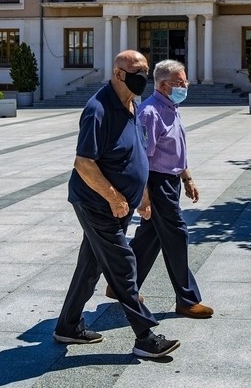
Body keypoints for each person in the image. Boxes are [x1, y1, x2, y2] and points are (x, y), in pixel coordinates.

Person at [53, 50, 181, 359]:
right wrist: (114, 196)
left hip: (121, 204)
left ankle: (68, 325)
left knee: (91, 264)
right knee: (124, 265)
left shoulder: (133, 105)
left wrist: (144, 197)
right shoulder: (98, 109)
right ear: (118, 74)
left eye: (146, 71)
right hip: (97, 204)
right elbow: (83, 162)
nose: (143, 77)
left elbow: (136, 153)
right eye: (136, 72)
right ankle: (145, 337)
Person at [127, 59, 213, 319]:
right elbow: (142, 158)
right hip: (156, 182)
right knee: (176, 236)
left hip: (171, 180)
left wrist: (187, 178)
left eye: (185, 81)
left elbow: (176, 149)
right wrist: (144, 197)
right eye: (180, 83)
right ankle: (186, 300)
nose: (185, 86)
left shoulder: (171, 107)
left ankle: (121, 284)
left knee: (150, 237)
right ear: (163, 85)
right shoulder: (150, 112)